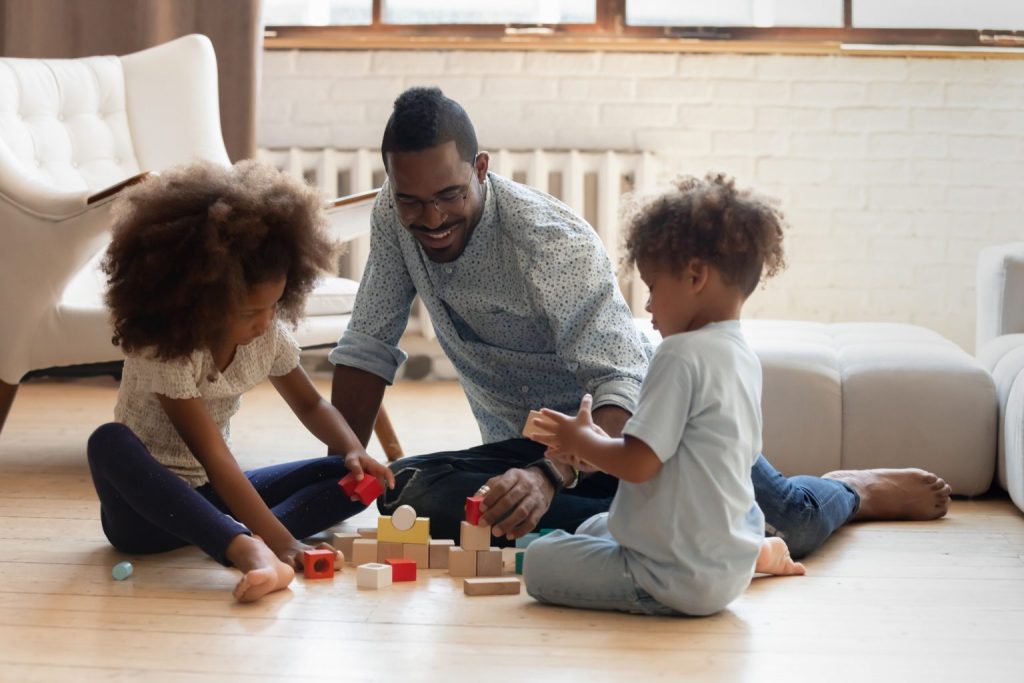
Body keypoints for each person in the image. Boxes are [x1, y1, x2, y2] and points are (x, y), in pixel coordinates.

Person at [329, 86, 951, 557]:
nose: (430, 218)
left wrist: (552, 473)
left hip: (641, 432)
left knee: (784, 522)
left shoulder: (547, 240)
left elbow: (622, 382)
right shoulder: (394, 216)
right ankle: (623, 519)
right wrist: (341, 467)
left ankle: (852, 490)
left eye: (448, 196)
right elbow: (367, 345)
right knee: (409, 500)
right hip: (522, 450)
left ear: (481, 168)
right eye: (412, 200)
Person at [86, 160, 394, 603]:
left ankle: (234, 533)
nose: (265, 322)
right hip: (144, 515)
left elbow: (311, 406)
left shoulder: (266, 334)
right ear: (202, 300)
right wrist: (284, 544)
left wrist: (352, 449)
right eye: (250, 312)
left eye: (274, 305)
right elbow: (214, 456)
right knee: (108, 442)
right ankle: (249, 548)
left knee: (347, 478)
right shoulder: (165, 346)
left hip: (211, 499)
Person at [523, 174, 805, 616]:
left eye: (653, 287)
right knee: (600, 523)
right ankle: (754, 555)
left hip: (671, 578)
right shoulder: (741, 355)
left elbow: (638, 464)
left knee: (539, 563)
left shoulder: (679, 355)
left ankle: (692, 568)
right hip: (725, 556)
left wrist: (582, 440)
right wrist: (595, 453)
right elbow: (697, 458)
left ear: (695, 276)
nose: (649, 306)